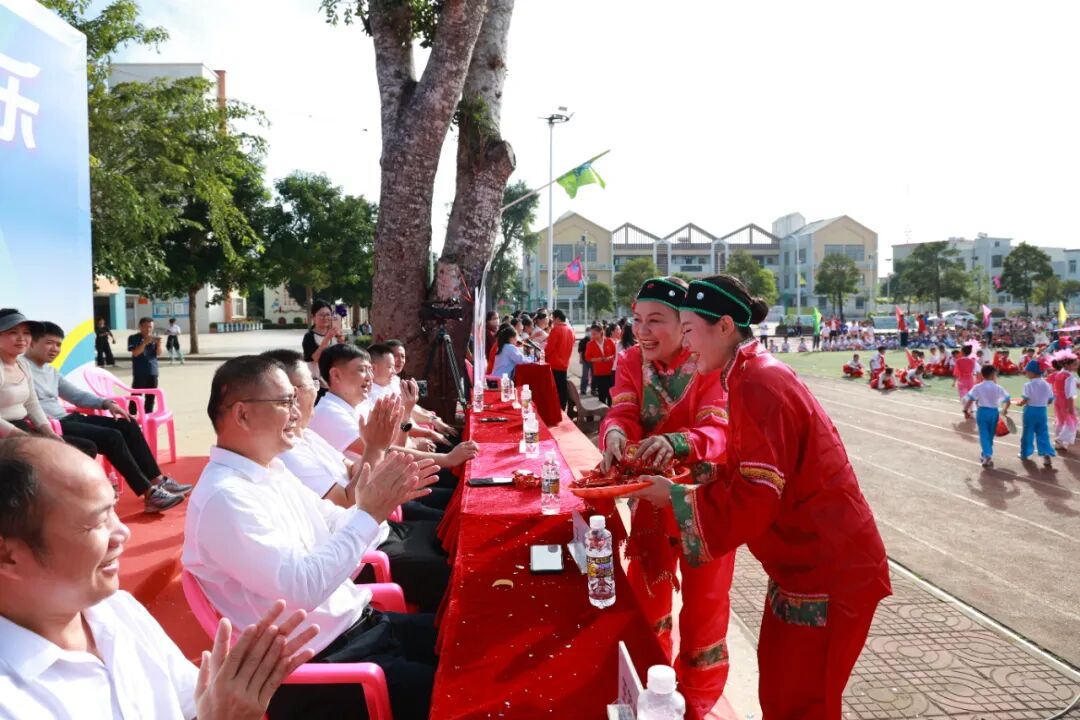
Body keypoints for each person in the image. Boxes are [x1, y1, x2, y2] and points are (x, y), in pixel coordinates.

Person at [633, 274, 890, 720]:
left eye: (689, 329)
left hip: (827, 570)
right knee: (782, 690)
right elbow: (748, 474)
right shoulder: (746, 373)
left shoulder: (758, 382)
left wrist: (673, 499)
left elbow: (756, 496)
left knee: (801, 703)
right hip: (803, 565)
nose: (686, 344)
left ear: (724, 326)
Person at [182, 355, 443, 720]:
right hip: (326, 667)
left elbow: (334, 522)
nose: (297, 411)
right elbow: (302, 587)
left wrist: (377, 503)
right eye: (285, 401)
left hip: (362, 629)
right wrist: (369, 513)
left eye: (296, 398)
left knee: (470, 639)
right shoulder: (225, 499)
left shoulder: (270, 470)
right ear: (242, 414)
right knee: (468, 690)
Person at [0, 437, 317, 720]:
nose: (122, 533)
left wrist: (229, 699)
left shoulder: (119, 611)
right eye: (96, 522)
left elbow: (192, 706)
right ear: (8, 556)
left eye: (113, 510)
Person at [599, 277, 733, 719]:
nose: (642, 331)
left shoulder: (708, 361)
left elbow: (719, 429)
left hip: (704, 502)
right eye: (638, 319)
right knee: (647, 593)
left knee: (705, 608)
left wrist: (678, 442)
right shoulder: (631, 360)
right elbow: (623, 410)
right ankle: (649, 687)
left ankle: (695, 701)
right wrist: (614, 432)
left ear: (685, 324)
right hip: (652, 499)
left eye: (655, 320)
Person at [267, 350, 451, 612]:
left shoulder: (305, 436)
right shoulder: (292, 451)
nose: (369, 377)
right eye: (312, 384)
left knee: (451, 533)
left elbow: (356, 470)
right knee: (454, 572)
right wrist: (375, 449)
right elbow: (348, 500)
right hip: (365, 550)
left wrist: (377, 453)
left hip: (375, 529)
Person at [26, 322, 191, 513]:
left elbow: (77, 395)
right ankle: (149, 494)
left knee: (127, 424)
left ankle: (158, 480)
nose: (55, 349)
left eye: (58, 344)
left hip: (67, 418)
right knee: (112, 436)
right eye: (49, 343)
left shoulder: (50, 371)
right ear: (32, 342)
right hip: (50, 425)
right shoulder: (22, 369)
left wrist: (106, 403)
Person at [308, 344, 476, 491]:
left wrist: (407, 413)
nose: (370, 377)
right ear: (336, 375)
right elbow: (384, 452)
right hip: (372, 496)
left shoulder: (361, 405)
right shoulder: (329, 413)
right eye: (362, 370)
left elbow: (394, 445)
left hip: (391, 481)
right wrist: (447, 459)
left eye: (369, 370)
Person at [0, 310, 93, 457]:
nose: (22, 338)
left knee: (85, 448)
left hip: (22, 427)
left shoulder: (22, 365)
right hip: (6, 434)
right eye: (13, 332)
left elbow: (32, 403)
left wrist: (49, 433)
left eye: (26, 333)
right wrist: (23, 437)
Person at [962, 364, 1011, 468]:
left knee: (983, 434)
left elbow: (970, 400)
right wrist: (1005, 410)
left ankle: (987, 454)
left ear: (982, 375)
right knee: (990, 435)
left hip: (982, 412)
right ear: (993, 375)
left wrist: (965, 410)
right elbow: (1008, 400)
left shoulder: (978, 387)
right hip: (994, 413)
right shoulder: (998, 387)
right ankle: (986, 454)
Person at [302, 299, 345, 399]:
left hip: (334, 382)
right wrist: (327, 338)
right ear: (313, 317)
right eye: (321, 315)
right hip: (317, 384)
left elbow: (342, 357)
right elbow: (315, 358)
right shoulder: (309, 337)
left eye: (328, 314)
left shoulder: (334, 334)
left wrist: (341, 342)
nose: (325, 318)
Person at [1017, 360, 1055, 468]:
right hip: (1042, 411)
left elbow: (1025, 399)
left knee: (1028, 432)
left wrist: (1020, 403)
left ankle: (1025, 453)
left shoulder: (1028, 385)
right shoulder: (1047, 384)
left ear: (1032, 372)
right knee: (1043, 433)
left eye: (1027, 371)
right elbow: (1050, 400)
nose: (1026, 373)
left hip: (1030, 411)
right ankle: (1046, 454)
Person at [127, 317, 162, 414]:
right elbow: (135, 353)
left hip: (153, 371)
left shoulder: (154, 338)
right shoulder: (133, 338)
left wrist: (159, 344)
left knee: (150, 397)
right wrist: (144, 343)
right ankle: (132, 417)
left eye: (151, 327)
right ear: (140, 327)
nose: (148, 329)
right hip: (140, 371)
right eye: (146, 327)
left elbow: (158, 353)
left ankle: (148, 417)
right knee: (136, 396)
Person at [544, 308, 576, 411]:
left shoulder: (556, 329)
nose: (552, 321)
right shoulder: (570, 329)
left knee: (555, 389)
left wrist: (543, 356)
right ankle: (563, 408)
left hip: (554, 363)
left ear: (557, 318)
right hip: (565, 362)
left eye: (553, 319)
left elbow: (550, 348)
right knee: (562, 388)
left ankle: (557, 409)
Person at [584, 323, 617, 406]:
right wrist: (597, 359)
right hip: (599, 373)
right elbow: (587, 357)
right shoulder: (590, 344)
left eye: (594, 333)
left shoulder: (610, 341)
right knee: (602, 395)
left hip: (610, 371)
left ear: (601, 332)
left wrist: (609, 358)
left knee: (611, 394)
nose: (593, 335)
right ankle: (603, 411)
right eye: (592, 333)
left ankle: (611, 410)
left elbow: (615, 354)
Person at [954, 344, 979, 418]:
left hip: (962, 380)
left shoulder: (958, 361)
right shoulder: (973, 360)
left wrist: (954, 381)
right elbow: (977, 371)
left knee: (964, 397)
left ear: (963, 352)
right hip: (971, 380)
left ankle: (966, 411)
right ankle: (971, 411)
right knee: (971, 396)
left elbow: (956, 373)